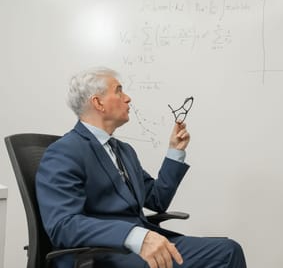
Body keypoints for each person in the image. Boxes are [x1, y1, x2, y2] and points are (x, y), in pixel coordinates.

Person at [36, 67, 247, 268]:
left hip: (141, 247)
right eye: (119, 91)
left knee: (228, 251)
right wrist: (135, 235)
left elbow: (157, 199)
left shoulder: (123, 150)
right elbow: (63, 225)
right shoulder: (63, 152)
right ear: (98, 103)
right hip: (105, 255)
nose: (127, 98)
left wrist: (175, 152)